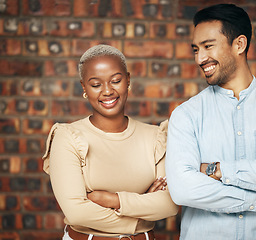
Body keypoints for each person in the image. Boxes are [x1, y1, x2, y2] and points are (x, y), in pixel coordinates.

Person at [166, 4, 256, 240]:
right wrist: (255, 196)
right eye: (196, 49)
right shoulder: (186, 115)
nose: (200, 58)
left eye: (208, 46)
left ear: (239, 45)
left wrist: (216, 170)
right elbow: (182, 189)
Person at [43, 44, 178, 240]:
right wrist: (142, 209)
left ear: (128, 80)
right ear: (84, 88)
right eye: (96, 85)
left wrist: (113, 200)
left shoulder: (155, 137)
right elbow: (77, 213)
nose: (107, 91)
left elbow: (169, 205)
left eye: (115, 80)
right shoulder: (68, 137)